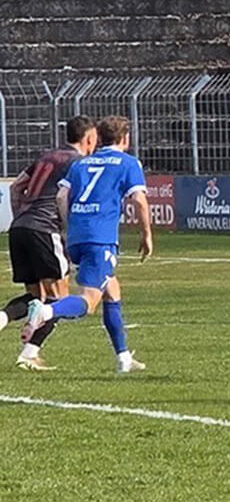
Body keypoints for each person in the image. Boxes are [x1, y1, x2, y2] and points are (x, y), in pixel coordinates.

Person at [20, 115, 154, 373]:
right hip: (99, 238)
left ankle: (124, 358)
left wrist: (71, 224)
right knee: (88, 302)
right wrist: (146, 234)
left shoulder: (82, 163)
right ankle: (44, 313)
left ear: (100, 138)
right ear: (125, 139)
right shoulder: (128, 162)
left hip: (77, 237)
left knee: (112, 289)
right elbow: (139, 200)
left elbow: (61, 196)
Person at [6, 116, 99, 371]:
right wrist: (69, 231)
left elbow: (16, 188)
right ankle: (29, 353)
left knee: (36, 297)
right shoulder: (79, 163)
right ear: (88, 138)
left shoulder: (47, 157)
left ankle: (3, 317)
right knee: (58, 300)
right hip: (46, 229)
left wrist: (22, 219)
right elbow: (62, 198)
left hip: (20, 228)